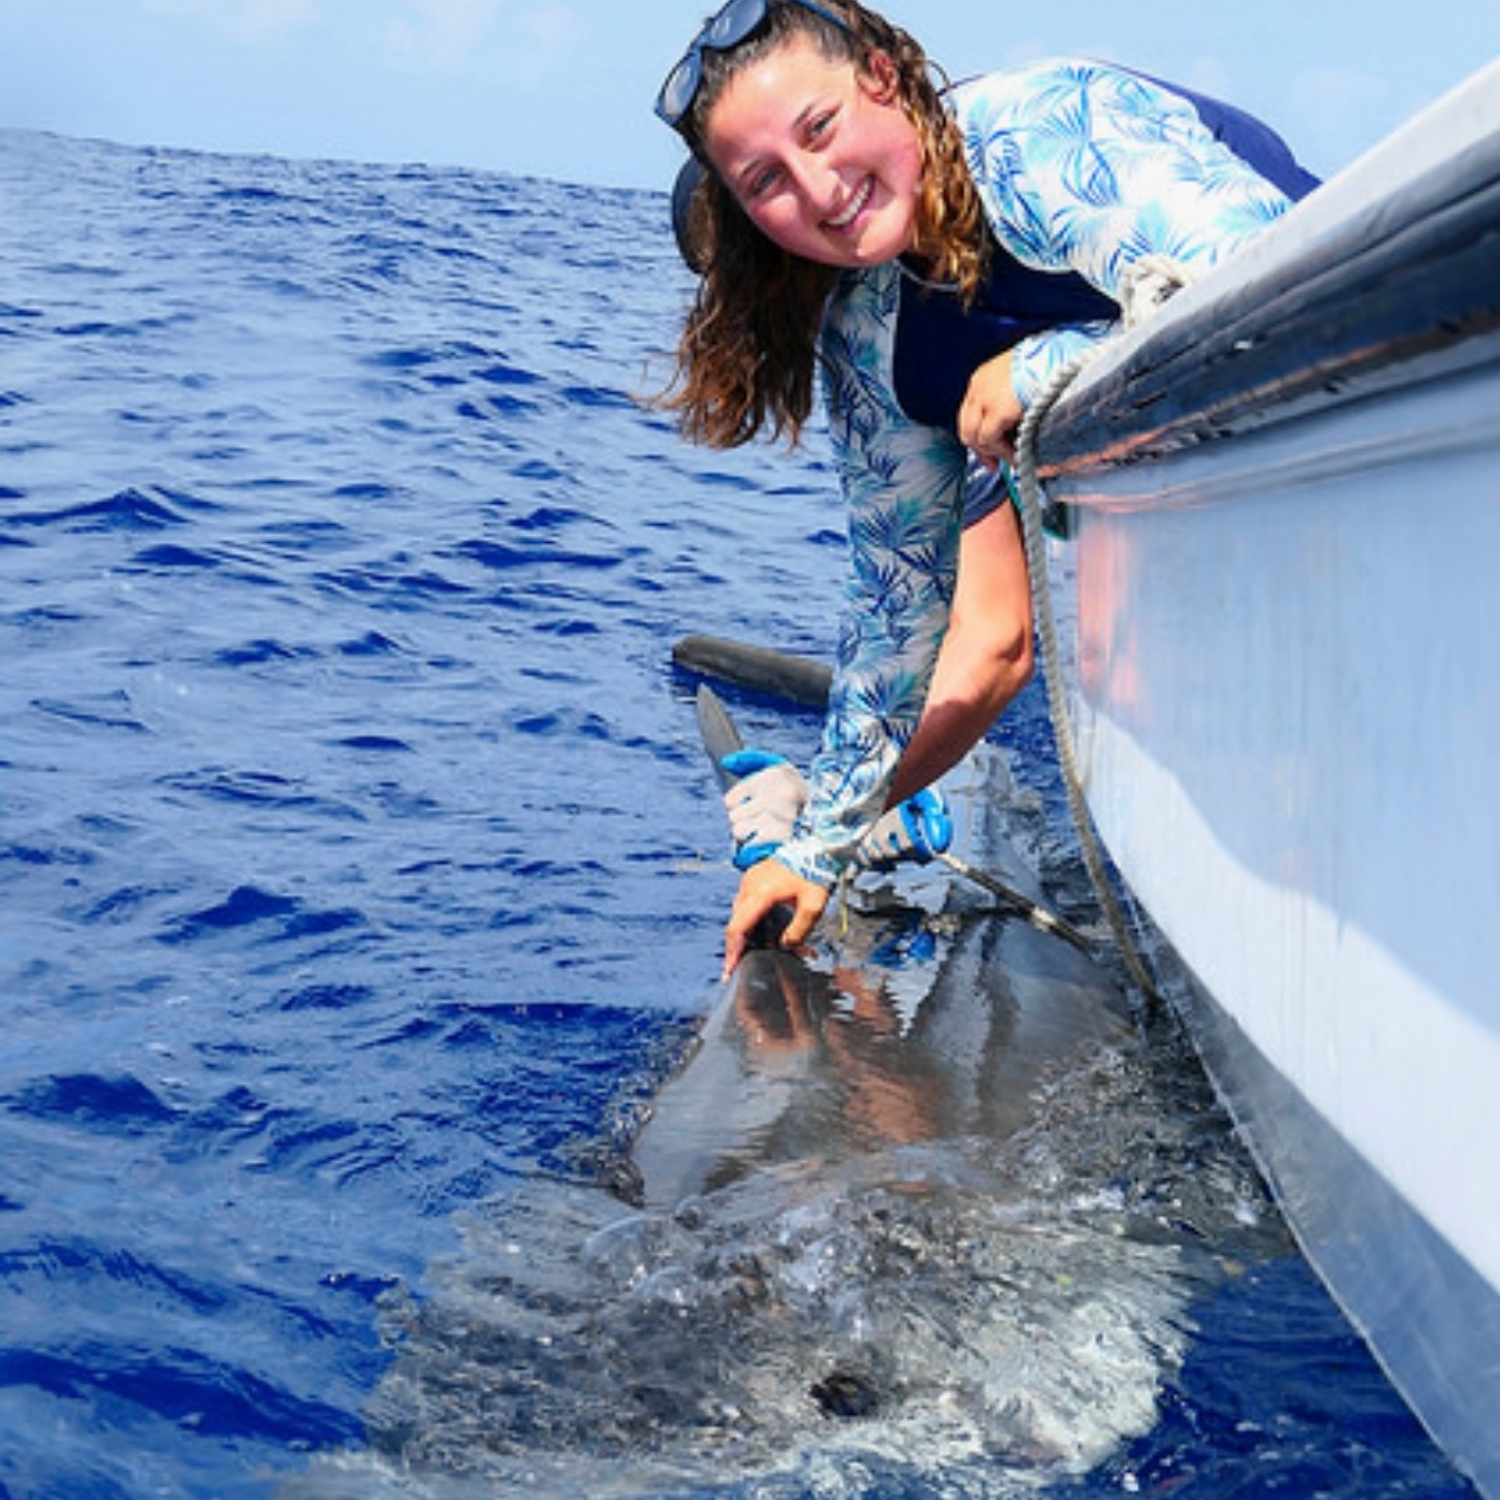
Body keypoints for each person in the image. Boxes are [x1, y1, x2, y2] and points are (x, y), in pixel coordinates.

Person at [653, 0, 1318, 977]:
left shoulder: (1040, 132)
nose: (818, 188)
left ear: (882, 75)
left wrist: (1046, 370)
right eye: (766, 183)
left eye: (820, 128)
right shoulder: (869, 339)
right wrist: (816, 846)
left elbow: (1271, 283)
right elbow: (895, 611)